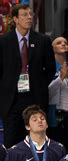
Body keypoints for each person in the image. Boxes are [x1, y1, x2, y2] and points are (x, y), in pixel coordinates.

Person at [0, 4, 55, 148]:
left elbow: (50, 70)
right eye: (24, 15)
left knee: (36, 140)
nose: (29, 17)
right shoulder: (3, 41)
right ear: (16, 19)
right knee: (11, 140)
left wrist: (39, 85)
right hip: (11, 99)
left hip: (35, 98)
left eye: (30, 14)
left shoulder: (43, 40)